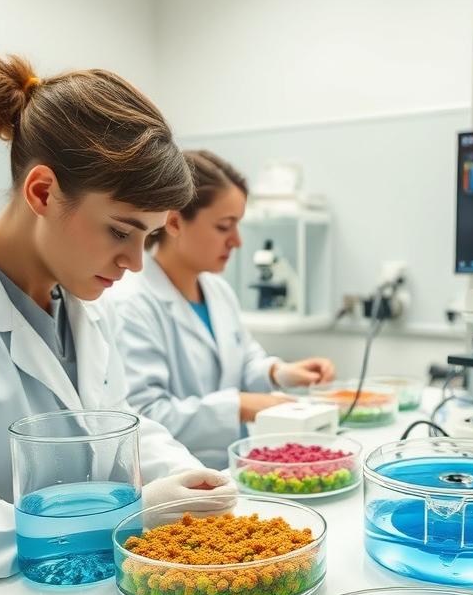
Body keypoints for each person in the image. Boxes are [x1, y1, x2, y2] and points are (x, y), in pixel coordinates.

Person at [0, 52, 231, 585]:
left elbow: (116, 423)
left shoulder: (79, 305)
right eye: (121, 232)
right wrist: (130, 513)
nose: (135, 262)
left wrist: (184, 474)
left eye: (147, 237)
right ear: (43, 192)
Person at [109, 151, 335, 467]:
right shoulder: (132, 303)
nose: (237, 241)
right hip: (175, 478)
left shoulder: (217, 290)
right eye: (224, 226)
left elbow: (244, 360)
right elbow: (146, 415)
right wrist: (239, 406)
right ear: (173, 221)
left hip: (231, 468)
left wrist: (279, 372)